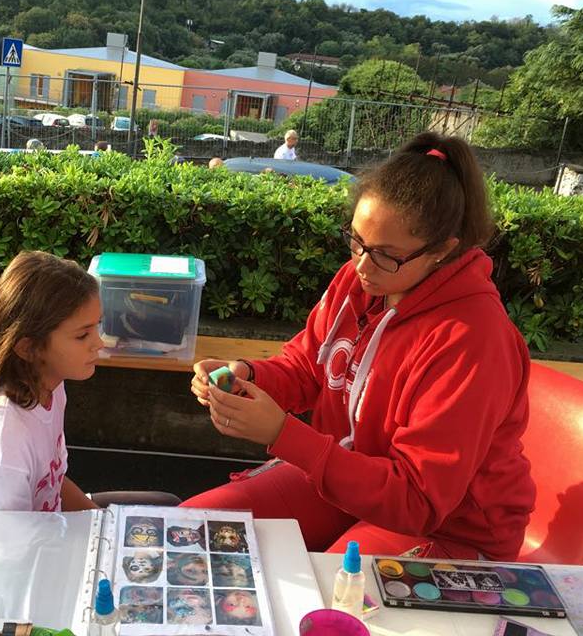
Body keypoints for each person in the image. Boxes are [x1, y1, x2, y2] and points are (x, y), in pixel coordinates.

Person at [184, 131, 535, 562]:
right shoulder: (361, 282)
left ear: (444, 250)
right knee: (191, 533)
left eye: (386, 254)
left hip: (452, 528)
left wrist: (282, 434)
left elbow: (418, 501)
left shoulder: (473, 341)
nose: (362, 266)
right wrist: (248, 375)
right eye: (356, 241)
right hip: (346, 479)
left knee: (324, 602)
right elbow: (310, 367)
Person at [0, 251, 103, 538]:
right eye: (82, 335)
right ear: (29, 348)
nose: (99, 343)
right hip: (1, 565)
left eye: (96, 327)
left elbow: (52, 481)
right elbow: (3, 556)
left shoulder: (50, 385)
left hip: (37, 538)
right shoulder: (4, 444)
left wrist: (104, 526)